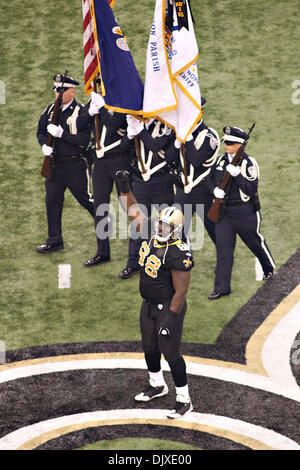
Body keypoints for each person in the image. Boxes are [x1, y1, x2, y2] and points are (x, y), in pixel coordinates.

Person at [115, 169, 194, 419]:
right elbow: (134, 212)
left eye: (166, 225)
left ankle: (184, 399)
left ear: (176, 229)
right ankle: (157, 385)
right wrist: (125, 189)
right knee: (149, 347)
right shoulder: (152, 233)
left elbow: (181, 291)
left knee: (170, 352)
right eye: (160, 222)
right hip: (148, 303)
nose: (160, 227)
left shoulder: (178, 252)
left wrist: (171, 317)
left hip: (168, 307)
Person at [206, 126, 276, 299]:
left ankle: (268, 269)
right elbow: (209, 178)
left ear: (239, 145)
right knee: (223, 250)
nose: (227, 146)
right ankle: (221, 288)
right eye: (226, 142)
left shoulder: (248, 163)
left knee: (255, 244)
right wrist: (214, 190)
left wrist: (237, 174)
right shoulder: (222, 160)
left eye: (230, 143)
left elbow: (251, 189)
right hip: (224, 213)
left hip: (244, 212)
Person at [36, 73, 94, 254]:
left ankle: (104, 229)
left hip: (75, 165)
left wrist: (63, 135)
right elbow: (40, 132)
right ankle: (54, 239)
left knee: (86, 200)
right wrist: (44, 146)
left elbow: (85, 140)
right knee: (52, 202)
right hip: (55, 166)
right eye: (56, 90)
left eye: (61, 90)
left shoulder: (80, 112)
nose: (57, 93)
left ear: (72, 91)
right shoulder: (50, 111)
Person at [77, 89, 132, 267]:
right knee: (100, 207)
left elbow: (114, 123)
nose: (101, 87)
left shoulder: (123, 102)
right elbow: (79, 122)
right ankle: (103, 252)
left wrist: (100, 107)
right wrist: (89, 112)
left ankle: (137, 256)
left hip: (119, 160)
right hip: (100, 163)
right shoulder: (96, 100)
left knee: (129, 206)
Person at [118, 115, 175, 279]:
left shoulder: (166, 124)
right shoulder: (137, 123)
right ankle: (133, 263)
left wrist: (139, 130)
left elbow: (156, 146)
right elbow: (123, 148)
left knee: (167, 224)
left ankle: (172, 261)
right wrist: (130, 133)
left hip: (162, 181)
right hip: (140, 181)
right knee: (138, 222)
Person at [164, 97, 220, 249]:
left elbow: (196, 160)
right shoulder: (180, 132)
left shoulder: (209, 136)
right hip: (184, 190)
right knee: (175, 226)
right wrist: (177, 142)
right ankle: (183, 259)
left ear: (199, 112)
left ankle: (224, 260)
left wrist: (187, 139)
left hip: (203, 191)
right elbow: (168, 158)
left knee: (214, 230)